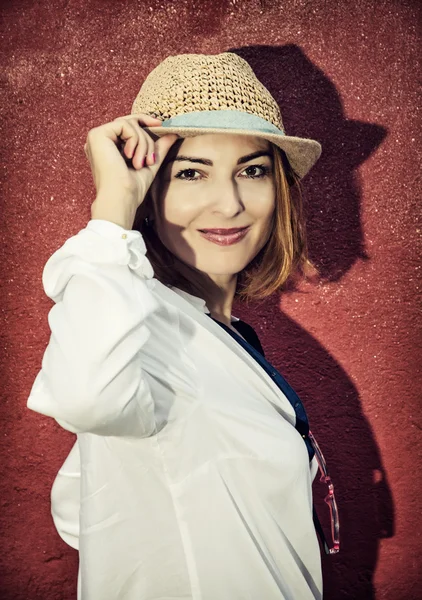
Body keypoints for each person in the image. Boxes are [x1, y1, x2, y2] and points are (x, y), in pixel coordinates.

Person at [27, 52, 338, 600]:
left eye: (252, 170)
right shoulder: (144, 327)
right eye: (191, 172)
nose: (230, 202)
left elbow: (79, 508)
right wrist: (112, 209)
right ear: (148, 190)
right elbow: (85, 397)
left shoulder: (223, 331)